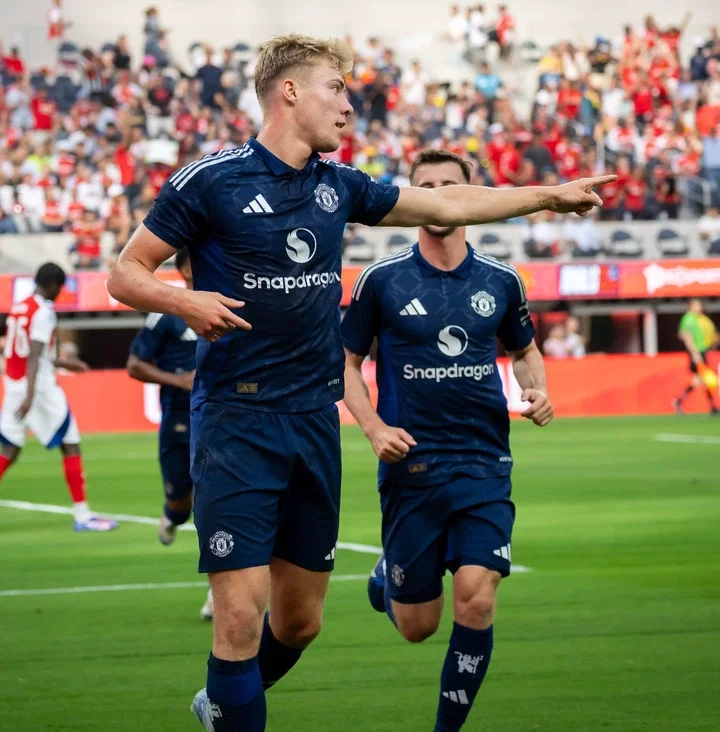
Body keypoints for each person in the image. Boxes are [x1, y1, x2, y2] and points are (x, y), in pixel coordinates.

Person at [106, 34, 613, 732]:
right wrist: (184, 299)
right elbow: (123, 274)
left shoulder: (337, 186)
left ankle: (222, 702)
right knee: (238, 615)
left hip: (313, 421)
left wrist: (547, 197)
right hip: (237, 421)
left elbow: (446, 205)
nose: (349, 104)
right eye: (336, 89)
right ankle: (232, 704)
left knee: (302, 622)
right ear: (289, 92)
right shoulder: (211, 181)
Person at [341, 149, 553, 732]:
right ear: (411, 199)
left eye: (448, 186)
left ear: (471, 196)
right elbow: (346, 362)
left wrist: (538, 391)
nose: (436, 196)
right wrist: (375, 428)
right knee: (418, 627)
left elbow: (525, 349)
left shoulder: (501, 279)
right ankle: (389, 574)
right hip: (412, 468)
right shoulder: (380, 281)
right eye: (424, 187)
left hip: (485, 462)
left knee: (478, 597)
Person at [126, 248, 213, 620]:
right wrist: (176, 380)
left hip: (222, 420)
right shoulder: (165, 314)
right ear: (180, 272)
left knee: (215, 506)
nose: (198, 278)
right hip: (179, 420)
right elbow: (135, 365)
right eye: (192, 273)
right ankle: (171, 514)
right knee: (181, 504)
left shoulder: (228, 302)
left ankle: (217, 592)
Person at [0, 262, 118, 531]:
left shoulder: (20, 307)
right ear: (52, 284)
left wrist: (64, 364)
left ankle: (83, 515)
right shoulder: (43, 311)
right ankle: (83, 516)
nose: (60, 292)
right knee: (71, 442)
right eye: (60, 287)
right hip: (38, 389)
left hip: (13, 384)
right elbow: (33, 355)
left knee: (10, 449)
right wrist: (31, 394)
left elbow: (28, 352)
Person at [673, 299, 719, 415]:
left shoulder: (701, 319)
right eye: (696, 305)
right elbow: (685, 335)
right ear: (690, 306)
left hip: (702, 351)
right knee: (707, 379)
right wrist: (694, 353)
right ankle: (713, 406)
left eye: (700, 305)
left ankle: (679, 400)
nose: (699, 307)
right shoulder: (689, 318)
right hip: (697, 352)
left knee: (700, 380)